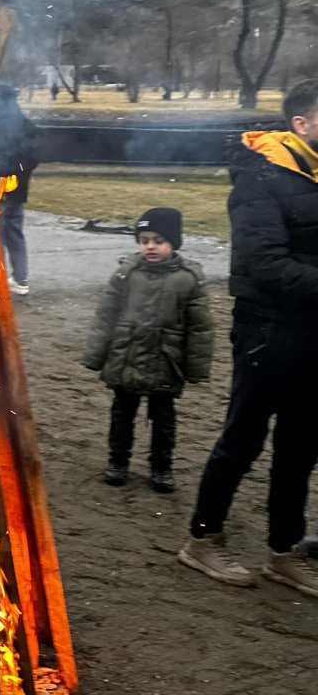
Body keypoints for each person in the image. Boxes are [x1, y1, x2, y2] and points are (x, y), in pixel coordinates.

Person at [180, 80, 318, 597]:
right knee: (242, 440)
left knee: (301, 447)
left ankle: (284, 551)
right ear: (300, 124)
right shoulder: (260, 177)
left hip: (315, 333)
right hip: (269, 329)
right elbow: (263, 263)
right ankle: (202, 539)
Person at [83, 208, 212, 492]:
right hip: (125, 356)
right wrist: (95, 355)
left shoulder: (189, 279)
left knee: (163, 418)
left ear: (173, 243)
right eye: (144, 240)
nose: (150, 246)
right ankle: (118, 462)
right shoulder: (126, 274)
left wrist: (197, 368)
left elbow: (200, 328)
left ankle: (161, 467)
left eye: (158, 240)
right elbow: (106, 315)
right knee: (122, 414)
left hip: (165, 360)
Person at [0, 83, 41, 295]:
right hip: (18, 191)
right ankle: (21, 279)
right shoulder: (25, 123)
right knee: (15, 233)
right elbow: (34, 155)